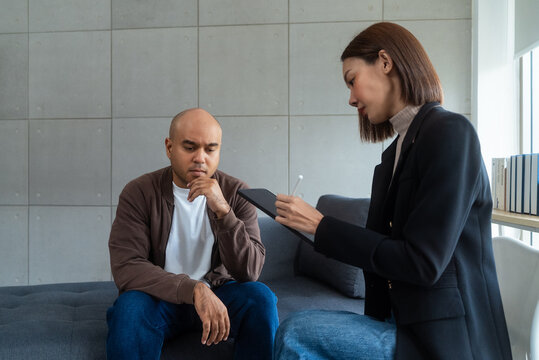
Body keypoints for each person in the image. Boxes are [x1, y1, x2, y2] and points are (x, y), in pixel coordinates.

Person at [273, 22, 512, 360]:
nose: (351, 98)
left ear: (385, 62)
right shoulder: (393, 155)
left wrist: (320, 225)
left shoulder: (450, 133)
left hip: (444, 341)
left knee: (296, 333)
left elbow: (422, 262)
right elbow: (385, 254)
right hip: (402, 323)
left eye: (352, 80)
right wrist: (315, 230)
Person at [107, 108, 279, 360]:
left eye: (210, 149)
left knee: (261, 299)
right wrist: (194, 289)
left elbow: (249, 271)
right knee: (129, 309)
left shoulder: (236, 192)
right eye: (190, 148)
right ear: (169, 147)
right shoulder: (139, 192)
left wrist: (224, 212)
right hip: (160, 298)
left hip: (220, 295)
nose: (200, 158)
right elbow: (127, 266)